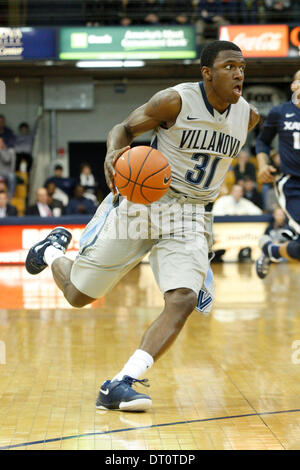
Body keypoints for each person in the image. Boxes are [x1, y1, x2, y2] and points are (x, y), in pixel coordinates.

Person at [25, 40, 259, 411]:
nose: (239, 73)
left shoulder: (247, 117)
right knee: (79, 296)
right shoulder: (174, 101)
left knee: (181, 299)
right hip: (146, 202)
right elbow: (123, 128)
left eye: (242, 67)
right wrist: (113, 153)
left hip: (192, 214)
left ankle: (122, 381)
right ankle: (52, 249)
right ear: (207, 73)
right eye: (230, 66)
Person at [255, 70, 300, 279]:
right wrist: (263, 164)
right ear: (294, 86)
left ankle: (272, 248)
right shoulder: (280, 112)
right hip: (292, 184)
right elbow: (262, 141)